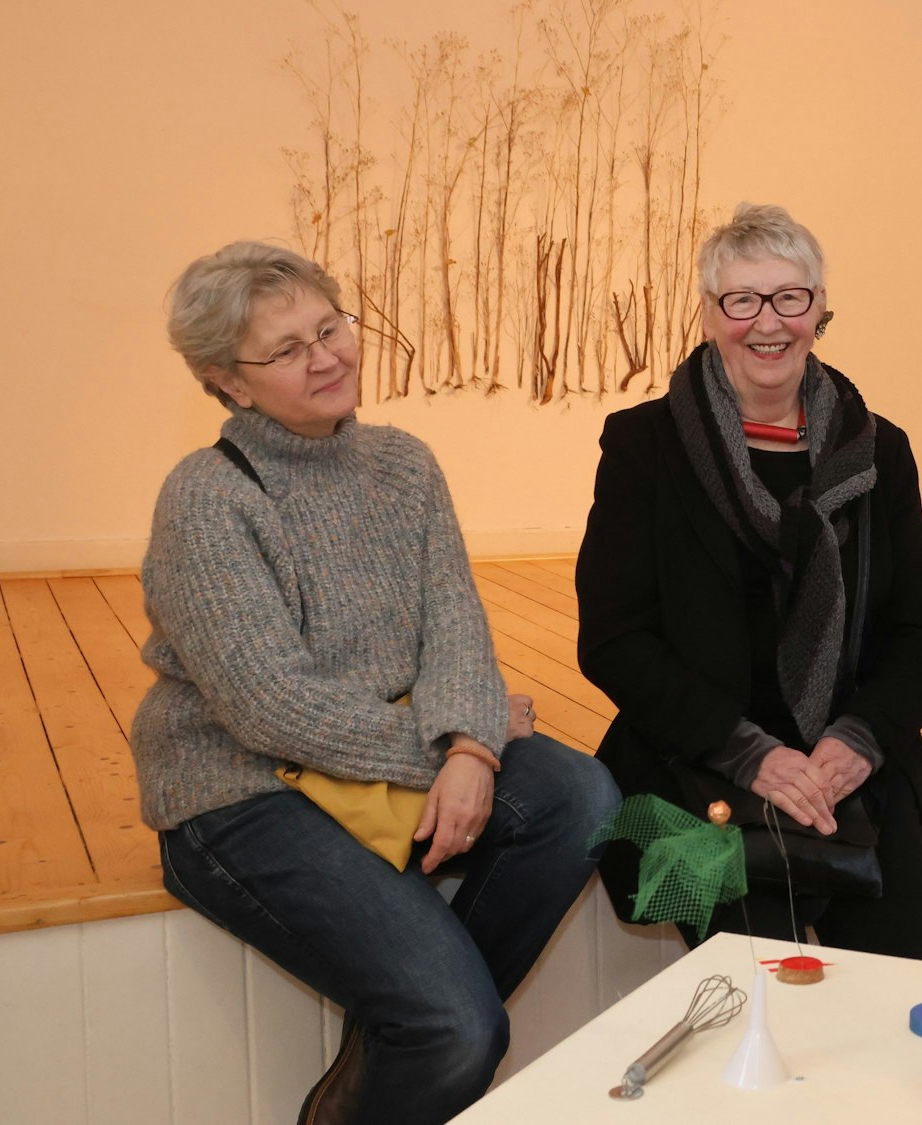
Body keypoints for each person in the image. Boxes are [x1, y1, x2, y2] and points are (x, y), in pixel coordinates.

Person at [133, 241, 620, 1124]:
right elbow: (267, 704)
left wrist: (472, 744)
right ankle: (426, 1021)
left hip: (389, 761)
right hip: (241, 791)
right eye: (286, 349)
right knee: (459, 1029)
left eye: (331, 326)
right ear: (227, 381)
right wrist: (449, 753)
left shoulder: (403, 463)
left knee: (578, 793)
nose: (326, 356)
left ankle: (405, 1020)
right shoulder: (205, 497)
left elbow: (458, 626)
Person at [577, 203, 922, 958]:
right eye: (741, 300)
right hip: (696, 759)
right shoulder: (643, 445)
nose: (768, 322)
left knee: (900, 981)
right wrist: (751, 753)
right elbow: (613, 638)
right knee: (748, 991)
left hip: (851, 760)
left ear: (820, 311)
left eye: (791, 297)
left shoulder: (882, 450)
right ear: (710, 315)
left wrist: (860, 739)